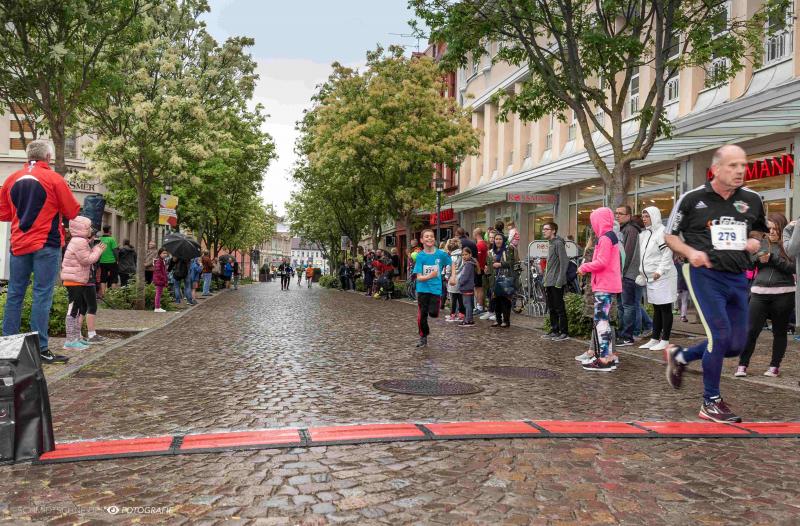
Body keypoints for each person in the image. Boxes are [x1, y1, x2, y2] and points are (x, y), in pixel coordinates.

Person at [664, 144, 767, 423]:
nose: (740, 170)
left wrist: (754, 241)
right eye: (733, 165)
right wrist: (690, 252)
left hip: (738, 275)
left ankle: (681, 356)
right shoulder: (692, 199)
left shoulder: (752, 199)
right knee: (719, 335)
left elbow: (759, 230)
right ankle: (710, 401)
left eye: (743, 165)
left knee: (735, 345)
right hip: (705, 275)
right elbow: (670, 236)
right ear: (716, 169)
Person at [0, 139, 80, 364]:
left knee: (15, 294)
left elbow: (3, 214)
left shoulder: (11, 179)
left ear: (28, 157)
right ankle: (40, 349)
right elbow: (72, 210)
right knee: (42, 295)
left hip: (19, 244)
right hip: (46, 244)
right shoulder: (54, 179)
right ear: (48, 157)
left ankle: (7, 350)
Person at [736, 213, 794, 378]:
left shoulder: (789, 245)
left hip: (784, 293)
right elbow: (748, 264)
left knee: (779, 332)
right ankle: (742, 365)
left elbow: (793, 268)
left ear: (782, 228)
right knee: (751, 331)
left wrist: (772, 258)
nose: (772, 232)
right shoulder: (760, 242)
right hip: (759, 293)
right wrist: (757, 259)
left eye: (776, 229)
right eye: (769, 229)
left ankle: (774, 366)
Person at [578, 207, 623, 372]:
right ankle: (608, 357)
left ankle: (603, 359)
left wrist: (584, 267)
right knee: (604, 322)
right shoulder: (611, 237)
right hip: (608, 284)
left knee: (601, 322)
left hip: (604, 285)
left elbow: (602, 262)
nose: (593, 225)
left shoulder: (604, 238)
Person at [60, 216, 105, 350]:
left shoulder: (78, 241)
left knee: (77, 308)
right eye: (88, 227)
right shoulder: (79, 242)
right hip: (74, 280)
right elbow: (86, 260)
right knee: (73, 309)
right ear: (82, 228)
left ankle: (76, 338)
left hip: (77, 279)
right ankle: (70, 341)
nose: (91, 229)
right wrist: (98, 250)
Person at [636, 207, 677, 352]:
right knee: (657, 308)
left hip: (663, 277)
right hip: (651, 278)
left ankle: (665, 340)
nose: (644, 219)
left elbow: (667, 253)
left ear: (654, 216)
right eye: (643, 216)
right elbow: (644, 256)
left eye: (647, 216)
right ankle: (654, 338)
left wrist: (660, 271)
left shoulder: (662, 232)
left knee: (665, 308)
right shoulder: (646, 234)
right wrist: (642, 273)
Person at [413, 228, 454, 347]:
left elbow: (452, 263)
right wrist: (430, 275)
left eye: (431, 236)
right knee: (422, 315)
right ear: (422, 240)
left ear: (434, 239)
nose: (429, 238)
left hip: (435, 289)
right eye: (426, 236)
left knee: (434, 313)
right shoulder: (420, 256)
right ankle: (423, 336)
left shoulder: (440, 254)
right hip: (422, 289)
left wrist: (453, 277)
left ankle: (430, 319)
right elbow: (419, 277)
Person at [614, 205, 642, 347]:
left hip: (628, 274)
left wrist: (620, 272)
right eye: (616, 213)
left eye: (621, 213)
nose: (617, 216)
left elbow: (627, 254)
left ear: (628, 216)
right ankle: (622, 334)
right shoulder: (623, 229)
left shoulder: (630, 230)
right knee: (621, 306)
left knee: (627, 306)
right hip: (622, 274)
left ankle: (627, 336)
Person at [541, 222, 569, 341]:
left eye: (546, 229)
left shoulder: (558, 243)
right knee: (552, 307)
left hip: (556, 282)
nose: (544, 231)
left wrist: (560, 280)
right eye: (543, 229)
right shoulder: (551, 243)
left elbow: (564, 262)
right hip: (549, 281)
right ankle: (554, 330)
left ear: (553, 231)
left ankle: (564, 332)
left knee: (559, 307)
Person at [487, 232, 516, 328]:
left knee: (505, 300)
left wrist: (501, 264)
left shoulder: (508, 250)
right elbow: (489, 264)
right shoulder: (491, 251)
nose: (498, 241)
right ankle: (498, 320)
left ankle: (506, 321)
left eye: (500, 239)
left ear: (503, 240)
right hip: (494, 278)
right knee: (496, 300)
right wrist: (487, 268)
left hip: (505, 278)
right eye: (496, 239)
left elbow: (512, 262)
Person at [444, 237, 464, 322]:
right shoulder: (462, 255)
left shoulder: (451, 258)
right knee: (460, 298)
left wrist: (446, 276)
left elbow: (448, 269)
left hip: (453, 279)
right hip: (462, 279)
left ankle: (452, 314)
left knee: (453, 299)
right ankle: (461, 314)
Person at [458, 247, 477, 327]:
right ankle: (470, 319)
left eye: (466, 254)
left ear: (470, 254)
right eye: (463, 255)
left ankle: (468, 320)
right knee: (469, 304)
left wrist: (460, 282)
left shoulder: (468, 264)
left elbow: (465, 276)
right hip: (468, 286)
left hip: (466, 287)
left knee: (467, 304)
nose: (464, 256)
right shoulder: (470, 263)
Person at [97, 224, 119, 295]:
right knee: (114, 278)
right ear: (109, 230)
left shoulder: (100, 239)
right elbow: (115, 251)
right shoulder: (112, 239)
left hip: (102, 261)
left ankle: (103, 294)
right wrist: (117, 260)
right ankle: (113, 295)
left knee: (103, 278)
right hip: (112, 261)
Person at [473, 228, 488, 317]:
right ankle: (479, 306)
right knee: (479, 288)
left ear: (476, 234)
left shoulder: (479, 245)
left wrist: (478, 268)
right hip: (482, 268)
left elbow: (477, 259)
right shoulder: (484, 244)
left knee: (478, 288)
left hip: (479, 269)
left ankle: (479, 307)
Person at [153, 248, 168, 312]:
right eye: (163, 253)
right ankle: (157, 307)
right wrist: (163, 278)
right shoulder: (159, 261)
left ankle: (158, 307)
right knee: (158, 293)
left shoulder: (162, 261)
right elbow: (158, 271)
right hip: (159, 280)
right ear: (160, 254)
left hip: (160, 279)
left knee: (159, 293)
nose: (165, 254)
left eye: (166, 253)